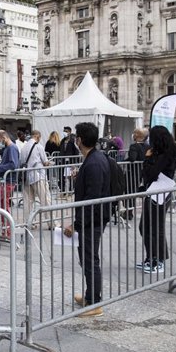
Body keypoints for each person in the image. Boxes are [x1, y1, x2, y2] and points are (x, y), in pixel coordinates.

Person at [63, 122, 110, 317]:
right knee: (87, 258)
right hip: (95, 218)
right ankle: (90, 295)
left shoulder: (93, 162)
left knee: (90, 260)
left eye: (76, 137)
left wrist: (76, 224)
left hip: (92, 219)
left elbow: (92, 197)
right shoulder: (96, 158)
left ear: (79, 140)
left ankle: (94, 303)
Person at [138, 126, 176, 274]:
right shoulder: (159, 153)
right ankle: (151, 257)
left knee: (156, 227)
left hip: (161, 193)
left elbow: (151, 174)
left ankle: (158, 260)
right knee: (145, 227)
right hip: (153, 192)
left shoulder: (167, 154)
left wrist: (148, 158)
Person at [20, 130, 54, 229]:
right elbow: (45, 162)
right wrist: (50, 163)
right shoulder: (39, 147)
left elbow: (21, 162)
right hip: (38, 176)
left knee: (28, 202)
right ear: (37, 136)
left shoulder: (24, 148)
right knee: (45, 199)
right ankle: (51, 223)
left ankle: (29, 223)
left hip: (26, 177)